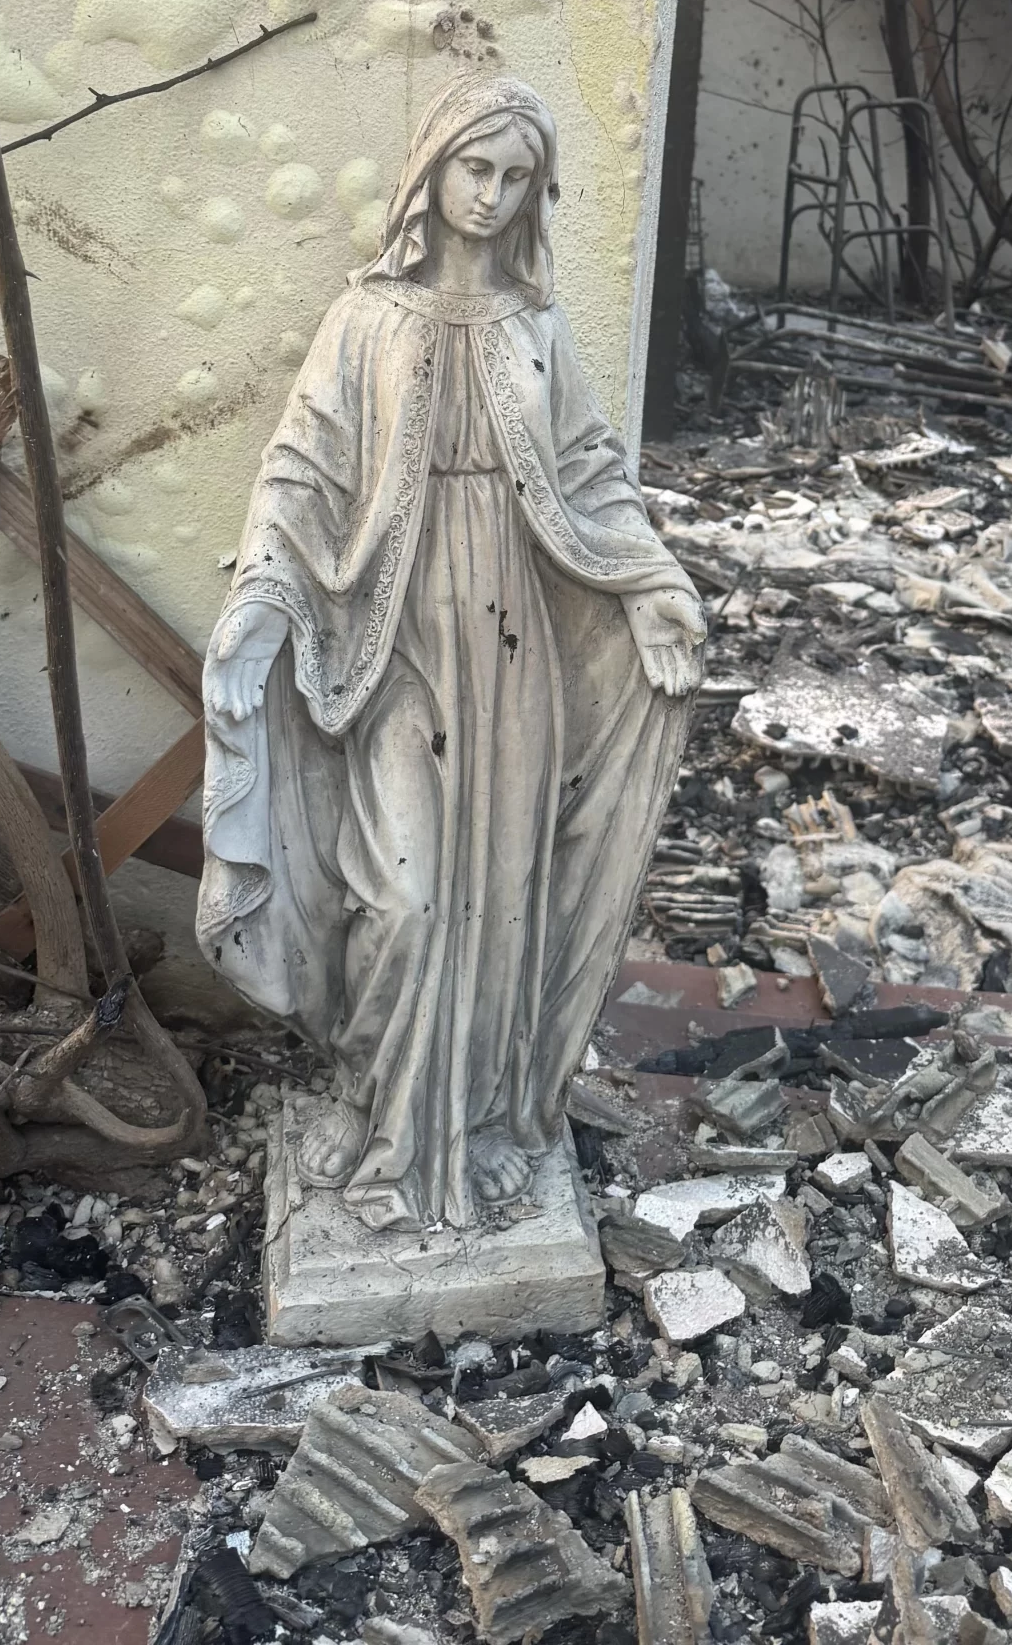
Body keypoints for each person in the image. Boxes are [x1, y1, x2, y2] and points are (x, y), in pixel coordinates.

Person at [196, 72, 705, 1233]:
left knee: (500, 899)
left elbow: (586, 476)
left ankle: (470, 1128)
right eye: (475, 167)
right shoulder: (366, 319)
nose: (492, 193)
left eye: (516, 176)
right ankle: (382, 1116)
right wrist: (266, 595)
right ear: (431, 174)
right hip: (395, 638)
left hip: (516, 640)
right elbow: (303, 470)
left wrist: (654, 586)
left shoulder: (535, 328)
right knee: (408, 896)